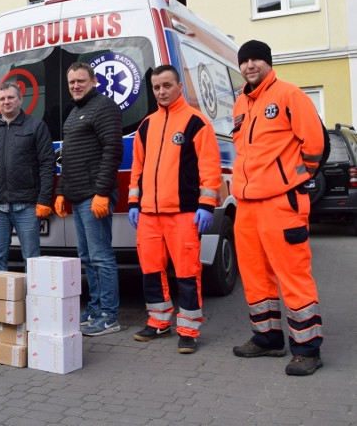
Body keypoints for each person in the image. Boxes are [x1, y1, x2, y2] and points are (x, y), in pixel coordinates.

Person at [230, 40, 325, 376]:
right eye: (244, 61)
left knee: (293, 274)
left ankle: (307, 349)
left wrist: (293, 178)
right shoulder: (240, 102)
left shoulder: (289, 95)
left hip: (281, 203)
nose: (250, 65)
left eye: (256, 59)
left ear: (268, 63)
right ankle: (267, 338)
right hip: (246, 206)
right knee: (256, 276)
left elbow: (316, 144)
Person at [127, 65, 222, 354]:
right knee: (151, 270)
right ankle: (159, 321)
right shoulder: (146, 125)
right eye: (156, 87)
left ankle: (189, 330)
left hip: (183, 212)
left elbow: (210, 168)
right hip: (149, 214)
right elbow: (138, 169)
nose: (161, 92)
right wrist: (134, 203)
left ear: (179, 86)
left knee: (187, 272)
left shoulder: (196, 122)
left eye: (167, 85)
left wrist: (206, 205)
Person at [53, 62, 123, 336]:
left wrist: (102, 192)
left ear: (94, 81)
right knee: (87, 256)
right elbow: (68, 159)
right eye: (72, 82)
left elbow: (113, 150)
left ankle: (109, 316)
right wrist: (60, 193)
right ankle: (94, 308)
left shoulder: (105, 107)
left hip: (95, 195)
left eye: (81, 81)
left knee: (101, 256)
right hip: (79, 195)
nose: (76, 86)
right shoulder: (74, 113)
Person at [0, 82, 56, 271]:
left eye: (10, 97)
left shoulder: (36, 126)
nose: (6, 102)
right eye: (2, 98)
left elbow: (47, 165)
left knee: (32, 258)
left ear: (19, 100)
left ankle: (34, 299)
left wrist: (44, 199)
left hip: (26, 205)